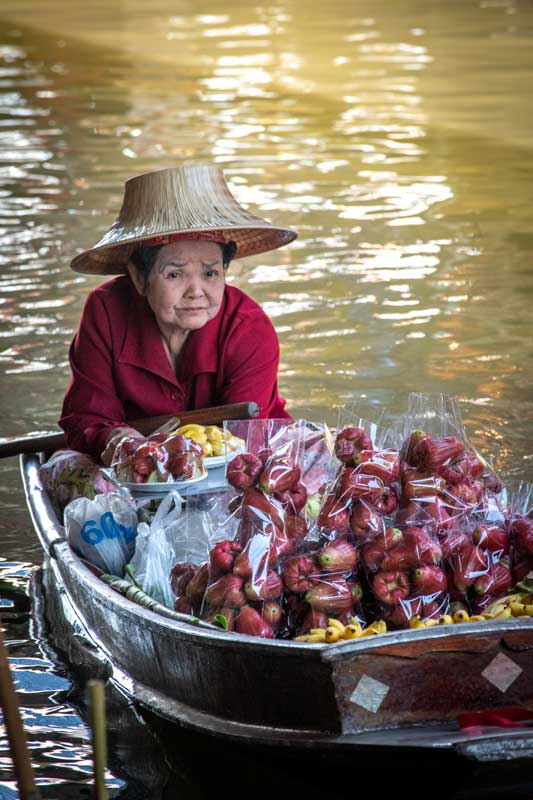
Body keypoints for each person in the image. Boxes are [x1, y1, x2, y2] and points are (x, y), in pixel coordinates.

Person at [59, 164, 298, 465]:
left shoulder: (249, 326)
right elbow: (88, 418)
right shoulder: (105, 311)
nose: (196, 291)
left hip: (239, 461)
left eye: (210, 273)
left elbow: (243, 442)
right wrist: (120, 441)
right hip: (136, 463)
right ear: (138, 277)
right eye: (175, 274)